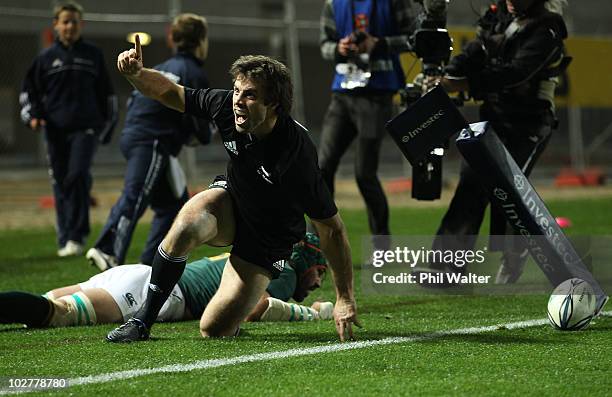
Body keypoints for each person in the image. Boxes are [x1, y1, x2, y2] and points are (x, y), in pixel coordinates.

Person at [107, 42, 359, 342]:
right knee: (190, 219)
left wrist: (345, 298)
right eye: (237, 90)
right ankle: (142, 322)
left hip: (268, 238)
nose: (238, 101)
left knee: (213, 329)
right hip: (233, 204)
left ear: (274, 104)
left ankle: (241, 311)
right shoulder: (226, 106)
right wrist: (136, 74)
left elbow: (332, 229)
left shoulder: (295, 154)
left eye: (250, 95)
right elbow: (171, 93)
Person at [427, 0, 570, 283]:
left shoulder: (548, 27)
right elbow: (476, 50)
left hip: (529, 121)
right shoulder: (498, 15)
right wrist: (448, 75)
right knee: (471, 183)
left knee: (510, 193)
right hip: (492, 116)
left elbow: (516, 73)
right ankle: (445, 267)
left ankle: (515, 254)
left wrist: (464, 85)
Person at [86, 13, 212, 270]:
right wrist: (204, 133)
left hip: (135, 135)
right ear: (200, 41)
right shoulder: (193, 72)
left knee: (173, 206)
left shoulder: (163, 66)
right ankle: (107, 249)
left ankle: (150, 265)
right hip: (153, 141)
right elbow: (200, 124)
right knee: (137, 193)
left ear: (173, 39)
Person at [0, 234, 333, 328]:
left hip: (137, 276)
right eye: (320, 271)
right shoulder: (285, 271)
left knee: (42, 301)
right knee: (58, 313)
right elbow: (256, 307)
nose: (318, 282)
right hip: (160, 292)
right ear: (306, 259)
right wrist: (314, 314)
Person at [19, 1, 118, 257]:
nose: (70, 26)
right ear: (56, 25)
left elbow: (108, 95)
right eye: (65, 21)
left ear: (80, 25)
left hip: (85, 130)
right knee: (62, 183)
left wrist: (105, 128)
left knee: (77, 175)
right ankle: (65, 236)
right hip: (54, 132)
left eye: (74, 21)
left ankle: (77, 235)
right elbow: (29, 93)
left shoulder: (93, 55)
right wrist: (32, 117)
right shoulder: (45, 59)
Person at [318, 0, 414, 249]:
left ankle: (381, 244)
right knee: (321, 168)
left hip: (377, 95)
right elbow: (324, 46)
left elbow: (414, 38)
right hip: (342, 96)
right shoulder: (333, 3)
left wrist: (379, 44)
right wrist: (339, 48)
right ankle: (317, 243)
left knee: (364, 174)